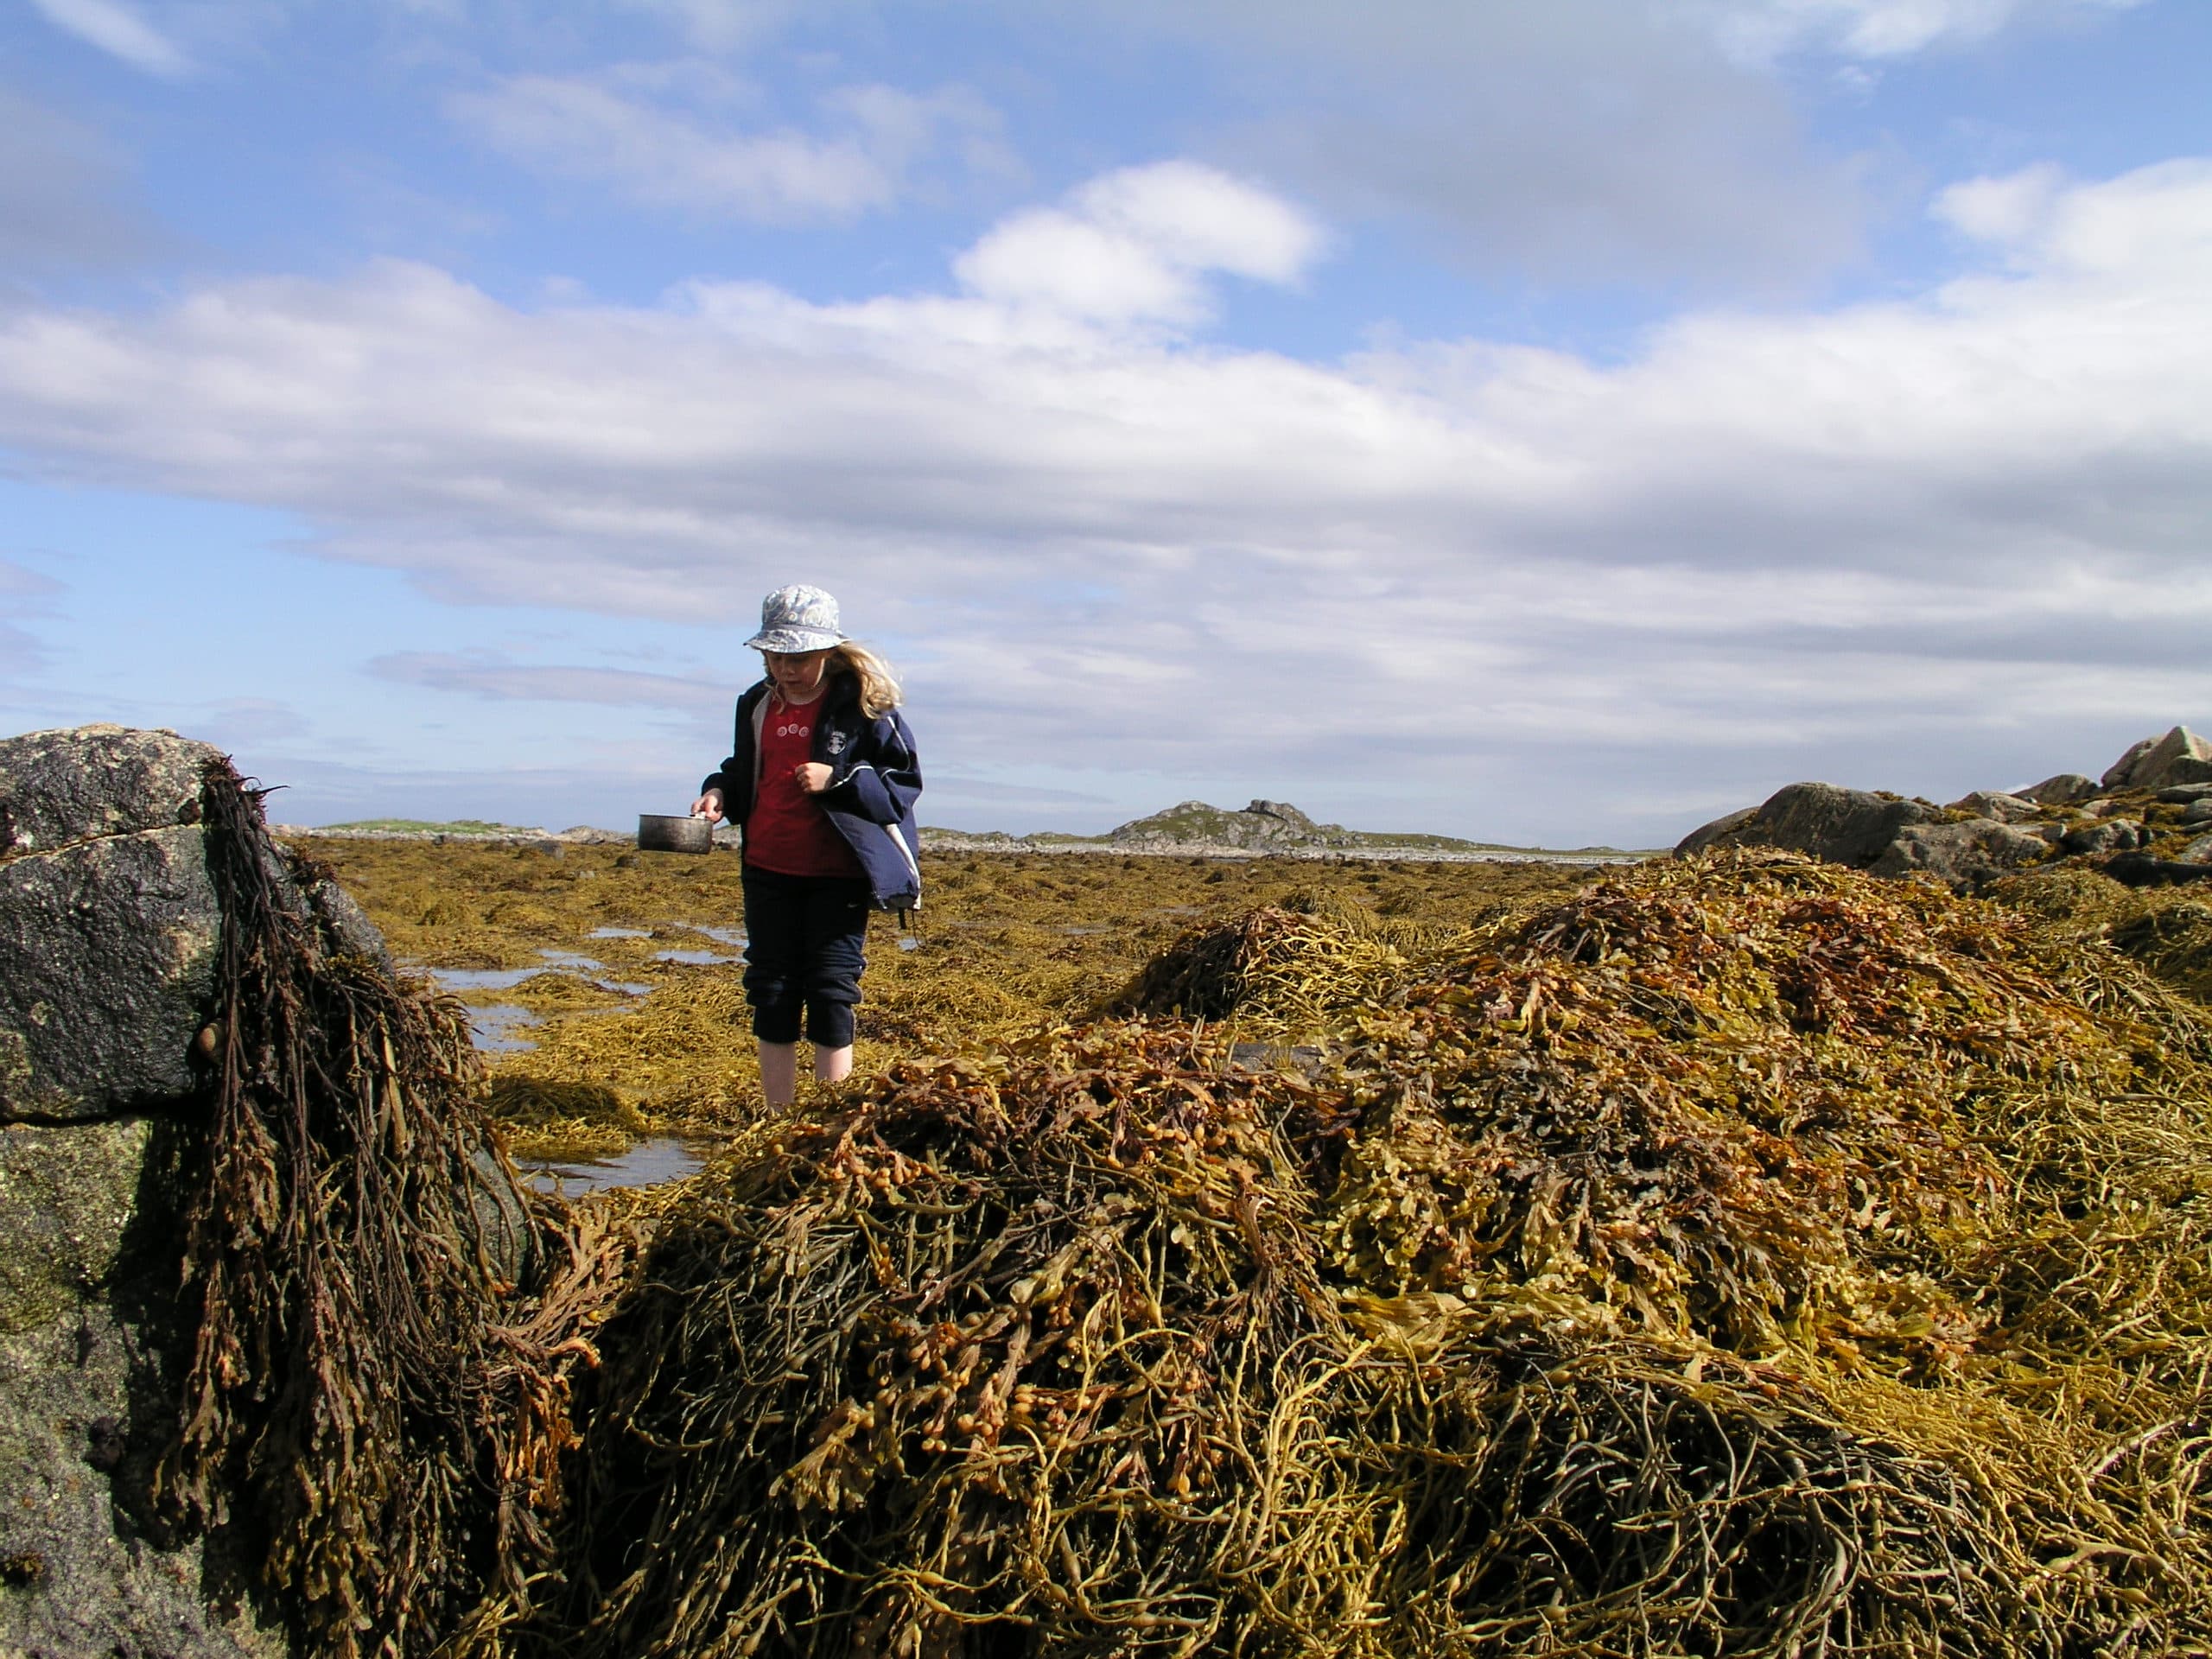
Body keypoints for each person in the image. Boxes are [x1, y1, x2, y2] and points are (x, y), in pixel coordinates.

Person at [691, 585, 923, 1107]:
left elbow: (901, 790)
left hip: (838, 872)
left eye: (798, 657)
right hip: (768, 867)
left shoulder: (866, 707)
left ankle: (826, 1119)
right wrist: (718, 793)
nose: (786, 669)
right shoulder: (755, 703)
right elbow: (745, 769)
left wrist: (837, 778)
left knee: (830, 990)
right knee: (771, 989)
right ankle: (777, 1117)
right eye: (775, 657)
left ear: (826, 651)